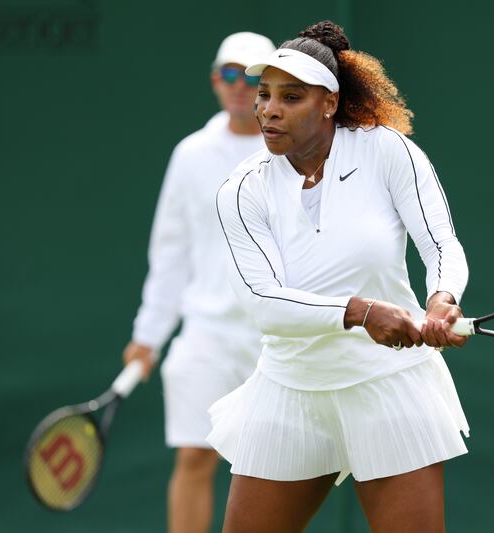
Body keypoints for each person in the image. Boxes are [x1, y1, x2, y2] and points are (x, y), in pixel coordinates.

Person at [207, 20, 470, 533]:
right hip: (291, 391)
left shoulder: (387, 150)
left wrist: (441, 298)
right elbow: (264, 303)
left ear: (328, 103)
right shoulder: (242, 191)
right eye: (264, 95)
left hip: (388, 387)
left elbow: (441, 243)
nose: (269, 109)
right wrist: (361, 311)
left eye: (291, 96)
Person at [122, 31, 275, 533]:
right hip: (206, 334)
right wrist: (149, 335)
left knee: (272, 472)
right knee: (194, 456)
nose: (239, 86)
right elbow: (170, 251)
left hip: (276, 337)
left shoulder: (295, 152)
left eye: (253, 77)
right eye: (230, 74)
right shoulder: (190, 155)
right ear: (215, 80)